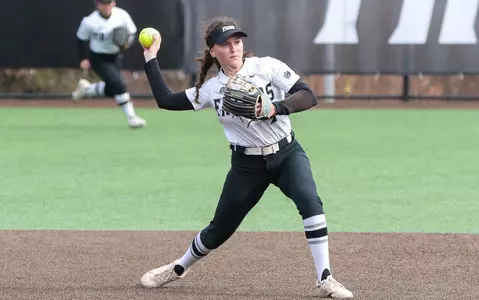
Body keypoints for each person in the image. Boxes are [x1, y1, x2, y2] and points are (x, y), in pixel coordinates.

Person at [138, 16, 353, 299]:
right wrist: (151, 58)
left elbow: (307, 95)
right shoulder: (211, 89)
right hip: (247, 166)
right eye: (225, 44)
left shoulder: (266, 67)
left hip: (286, 153)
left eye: (237, 42)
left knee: (310, 201)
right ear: (213, 51)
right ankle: (179, 267)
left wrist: (276, 108)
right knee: (219, 229)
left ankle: (325, 277)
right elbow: (165, 100)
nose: (233, 48)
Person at [72, 0, 146, 129]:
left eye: (109, 2)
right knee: (119, 85)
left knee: (113, 89)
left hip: (115, 56)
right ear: (97, 5)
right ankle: (132, 118)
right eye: (103, 3)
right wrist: (83, 58)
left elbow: (132, 33)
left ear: (113, 3)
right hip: (98, 57)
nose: (106, 6)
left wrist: (127, 43)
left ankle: (87, 89)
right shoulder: (89, 21)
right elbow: (81, 39)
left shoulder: (121, 15)